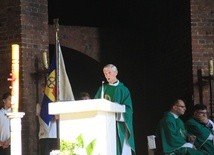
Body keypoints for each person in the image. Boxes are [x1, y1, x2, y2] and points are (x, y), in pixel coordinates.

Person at [94, 64, 135, 155]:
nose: (107, 75)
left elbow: (128, 110)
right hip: (104, 125)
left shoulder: (123, 90)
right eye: (105, 73)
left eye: (109, 73)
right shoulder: (102, 89)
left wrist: (117, 110)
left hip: (118, 126)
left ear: (116, 73)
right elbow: (96, 105)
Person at [36, 83, 58, 155]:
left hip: (54, 134)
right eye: (43, 91)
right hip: (44, 135)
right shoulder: (39, 104)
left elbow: (58, 117)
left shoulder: (55, 104)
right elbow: (39, 117)